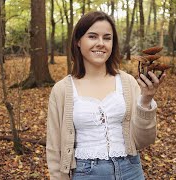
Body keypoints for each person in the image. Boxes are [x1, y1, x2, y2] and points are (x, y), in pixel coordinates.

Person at [46, 11, 166, 180]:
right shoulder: (62, 90)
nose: (101, 43)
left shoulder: (127, 82)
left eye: (107, 38)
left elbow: (144, 141)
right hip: (84, 174)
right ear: (78, 41)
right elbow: (53, 147)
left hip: (131, 171)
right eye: (93, 36)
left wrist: (146, 101)